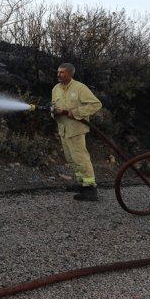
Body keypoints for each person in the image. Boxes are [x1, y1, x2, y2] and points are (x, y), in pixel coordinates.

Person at [51, 63, 103, 201]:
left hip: (76, 129)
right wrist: (53, 112)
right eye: (58, 72)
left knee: (80, 158)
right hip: (63, 129)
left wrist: (75, 112)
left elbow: (96, 104)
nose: (58, 74)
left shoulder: (80, 88)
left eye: (62, 72)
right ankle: (82, 183)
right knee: (71, 158)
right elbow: (54, 106)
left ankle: (90, 189)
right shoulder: (56, 89)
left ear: (70, 74)